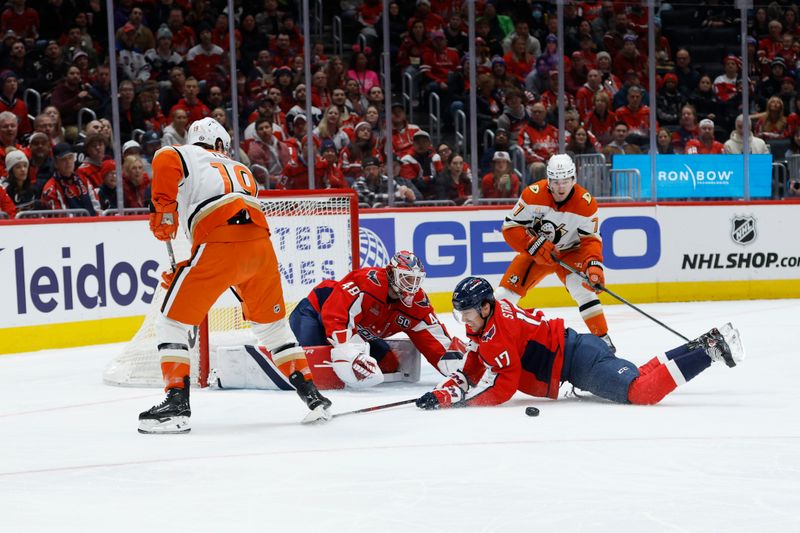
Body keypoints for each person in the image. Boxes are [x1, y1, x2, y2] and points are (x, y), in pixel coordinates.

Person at [140, 117, 332, 433]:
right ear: (220, 144)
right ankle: (313, 397)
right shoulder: (239, 169)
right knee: (273, 328)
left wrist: (163, 210)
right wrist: (191, 265)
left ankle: (175, 405)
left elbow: (165, 158)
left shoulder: (187, 154)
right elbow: (232, 227)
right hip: (260, 249)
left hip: (219, 242)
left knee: (171, 321)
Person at [416, 277, 744, 409]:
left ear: (485, 307)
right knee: (639, 375)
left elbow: (505, 385)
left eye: (468, 313)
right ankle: (706, 343)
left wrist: (464, 404)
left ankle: (709, 350)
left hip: (578, 361)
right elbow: (473, 366)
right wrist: (444, 392)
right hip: (578, 353)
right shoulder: (485, 324)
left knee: (640, 391)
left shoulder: (497, 331)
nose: (464, 321)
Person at [287, 250, 464, 389]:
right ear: (391, 273)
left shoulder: (417, 303)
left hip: (359, 331)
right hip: (314, 313)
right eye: (406, 279)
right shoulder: (365, 283)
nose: (411, 286)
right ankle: (283, 352)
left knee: (389, 363)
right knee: (322, 373)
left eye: (415, 280)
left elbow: (435, 340)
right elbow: (335, 316)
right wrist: (348, 352)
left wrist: (462, 370)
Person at [496, 154, 616, 351]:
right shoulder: (532, 194)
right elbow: (510, 228)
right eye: (556, 182)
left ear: (573, 179)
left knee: (584, 291)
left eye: (566, 181)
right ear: (548, 180)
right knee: (504, 295)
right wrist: (532, 244)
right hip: (536, 252)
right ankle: (483, 338)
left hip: (571, 252)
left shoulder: (586, 204)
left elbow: (590, 241)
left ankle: (603, 340)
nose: (561, 187)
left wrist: (593, 264)